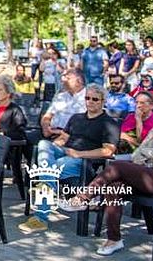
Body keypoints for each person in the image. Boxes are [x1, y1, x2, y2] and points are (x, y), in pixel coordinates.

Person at [64, 93, 153, 256]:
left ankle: (83, 198)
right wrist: (148, 155)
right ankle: (114, 239)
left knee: (117, 167)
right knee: (114, 187)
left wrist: (146, 154)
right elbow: (136, 156)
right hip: (149, 176)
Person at [18, 84, 119, 234]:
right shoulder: (76, 117)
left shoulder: (109, 123)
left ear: (103, 101)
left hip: (83, 163)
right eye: (87, 98)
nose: (90, 101)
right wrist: (54, 150)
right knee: (44, 144)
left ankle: (41, 217)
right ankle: (49, 183)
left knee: (49, 169)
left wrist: (79, 154)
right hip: (65, 154)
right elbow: (62, 139)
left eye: (95, 99)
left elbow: (108, 151)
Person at [40, 68, 87, 140]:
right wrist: (46, 129)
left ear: (79, 81)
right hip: (53, 134)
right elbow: (47, 116)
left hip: (74, 137)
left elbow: (90, 124)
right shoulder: (61, 96)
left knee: (44, 147)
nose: (63, 80)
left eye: (67, 78)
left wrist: (63, 133)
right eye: (63, 77)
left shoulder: (90, 98)